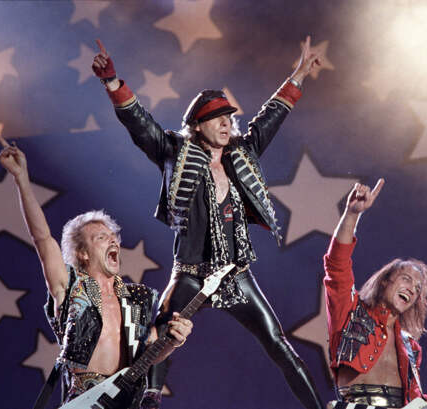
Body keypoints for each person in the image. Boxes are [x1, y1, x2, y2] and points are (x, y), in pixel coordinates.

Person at [91, 36, 325, 408]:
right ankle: (148, 402)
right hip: (191, 274)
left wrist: (298, 76)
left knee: (279, 344)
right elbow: (140, 124)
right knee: (160, 337)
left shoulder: (241, 154)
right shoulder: (175, 152)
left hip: (236, 274)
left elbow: (270, 117)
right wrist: (112, 83)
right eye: (218, 119)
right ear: (198, 125)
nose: (226, 124)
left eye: (229, 118)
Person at [0, 135, 193, 408]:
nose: (113, 241)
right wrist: (22, 178)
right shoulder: (69, 287)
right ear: (83, 253)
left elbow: (148, 356)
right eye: (101, 237)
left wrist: (172, 342)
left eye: (114, 237)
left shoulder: (138, 298)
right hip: (83, 401)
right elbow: (42, 238)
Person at [324, 181, 427, 408]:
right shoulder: (350, 312)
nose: (412, 289)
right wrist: (352, 214)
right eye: (407, 279)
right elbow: (336, 265)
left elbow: (415, 403)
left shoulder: (410, 346)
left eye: (418, 289)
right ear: (385, 280)